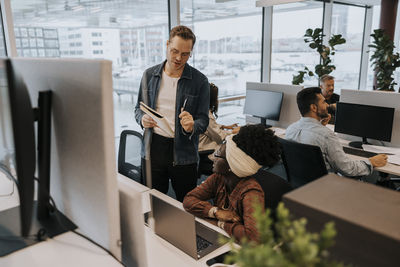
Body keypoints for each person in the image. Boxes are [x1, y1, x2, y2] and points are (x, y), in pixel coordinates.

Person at [134, 25, 210, 202]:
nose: (178, 58)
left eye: (185, 54)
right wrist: (142, 118)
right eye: (175, 51)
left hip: (183, 152)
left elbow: (203, 121)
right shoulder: (148, 75)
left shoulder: (200, 81)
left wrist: (193, 125)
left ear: (190, 53)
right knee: (154, 202)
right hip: (153, 148)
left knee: (187, 204)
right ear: (167, 44)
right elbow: (138, 109)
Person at [183, 124, 281, 242]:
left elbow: (253, 238)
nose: (213, 157)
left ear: (231, 165)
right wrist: (216, 212)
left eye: (218, 155)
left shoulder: (251, 192)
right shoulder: (218, 178)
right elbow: (189, 199)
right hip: (225, 239)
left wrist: (220, 223)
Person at [285, 87, 387, 177]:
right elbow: (347, 169)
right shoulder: (326, 136)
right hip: (326, 187)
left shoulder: (290, 130)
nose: (327, 105)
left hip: (300, 187)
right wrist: (371, 162)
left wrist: (320, 126)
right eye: (324, 102)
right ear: (314, 107)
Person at [198, 83, 240, 153]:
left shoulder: (200, 109)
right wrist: (233, 131)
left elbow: (210, 128)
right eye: (216, 97)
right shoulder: (206, 115)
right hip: (206, 151)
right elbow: (220, 137)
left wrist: (224, 126)